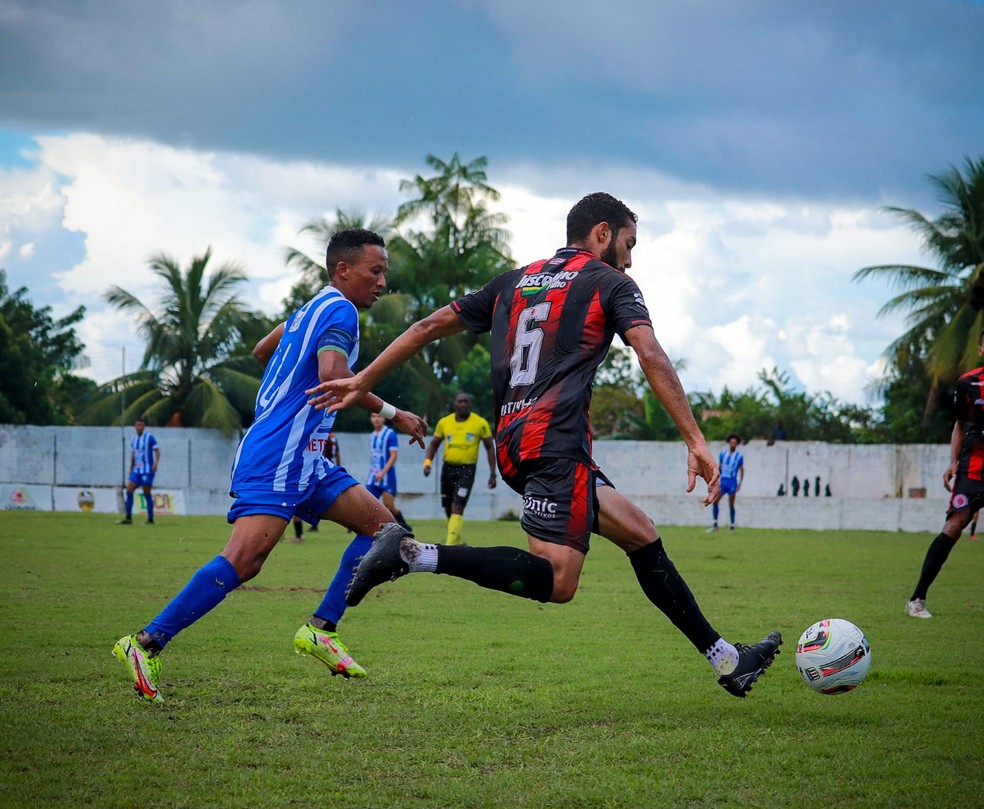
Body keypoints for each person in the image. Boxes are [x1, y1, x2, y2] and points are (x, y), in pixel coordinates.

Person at [312, 192, 782, 698]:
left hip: (518, 441)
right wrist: (695, 439)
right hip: (554, 443)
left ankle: (729, 660)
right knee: (559, 582)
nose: (629, 257)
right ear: (602, 233)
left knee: (640, 533)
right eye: (628, 243)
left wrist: (363, 380)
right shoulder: (611, 282)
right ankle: (413, 554)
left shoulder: (514, 281)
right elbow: (650, 354)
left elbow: (427, 327)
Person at [112, 228, 427, 702]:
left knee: (386, 532)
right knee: (245, 559)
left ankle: (322, 629)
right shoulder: (340, 309)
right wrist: (393, 413)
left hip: (306, 456)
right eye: (375, 271)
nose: (383, 282)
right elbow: (333, 376)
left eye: (385, 272)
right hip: (280, 452)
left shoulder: (308, 308)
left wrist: (287, 389)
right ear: (344, 269)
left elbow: (264, 352)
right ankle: (144, 643)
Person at [905, 328, 984, 619]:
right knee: (953, 527)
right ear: (980, 350)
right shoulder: (969, 383)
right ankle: (917, 599)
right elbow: (960, 425)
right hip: (973, 469)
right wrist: (953, 462)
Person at [424, 392, 496, 544]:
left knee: (458, 505)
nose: (462, 404)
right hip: (448, 469)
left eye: (465, 402)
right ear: (455, 404)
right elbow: (433, 444)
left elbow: (490, 447)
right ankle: (458, 541)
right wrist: (427, 463)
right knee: (449, 508)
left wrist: (492, 473)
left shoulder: (480, 423)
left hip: (467, 470)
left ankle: (449, 546)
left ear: (470, 404)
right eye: (460, 401)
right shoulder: (445, 422)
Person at [289, 432, 339, 541]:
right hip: (323, 472)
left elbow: (322, 454)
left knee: (297, 505)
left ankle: (299, 536)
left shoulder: (318, 436)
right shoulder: (330, 436)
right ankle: (302, 533)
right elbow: (336, 454)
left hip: (314, 474)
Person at [367, 412, 412, 531]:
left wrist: (383, 472)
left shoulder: (390, 434)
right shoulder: (372, 435)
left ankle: (405, 527)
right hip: (373, 476)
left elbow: (393, 455)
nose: (376, 419)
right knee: (368, 503)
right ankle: (369, 529)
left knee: (389, 507)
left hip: (387, 476)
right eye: (374, 416)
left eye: (379, 416)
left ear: (384, 418)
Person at [118, 416, 160, 525]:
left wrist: (155, 464)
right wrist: (131, 467)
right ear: (134, 426)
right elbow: (134, 454)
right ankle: (128, 517)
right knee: (129, 489)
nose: (139, 427)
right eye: (137, 425)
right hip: (137, 470)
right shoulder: (133, 439)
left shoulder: (149, 437)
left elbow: (157, 451)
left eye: (141, 425)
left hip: (147, 470)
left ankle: (150, 518)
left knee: (146, 492)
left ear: (144, 427)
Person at [708, 434, 744, 532]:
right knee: (715, 501)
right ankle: (715, 525)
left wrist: (739, 483)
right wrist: (716, 480)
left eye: (735, 443)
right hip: (723, 481)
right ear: (729, 443)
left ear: (737, 444)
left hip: (732, 481)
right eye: (731, 442)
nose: (733, 444)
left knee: (731, 504)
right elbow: (719, 467)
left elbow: (741, 470)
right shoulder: (723, 454)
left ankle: (732, 525)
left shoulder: (739, 456)